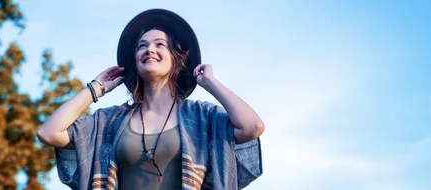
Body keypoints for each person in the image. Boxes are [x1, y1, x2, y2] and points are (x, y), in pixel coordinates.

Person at [36, 9, 264, 190]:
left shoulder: (202, 117)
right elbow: (49, 133)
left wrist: (211, 83)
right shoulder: (109, 121)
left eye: (159, 44)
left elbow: (252, 127)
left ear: (176, 60)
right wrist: (95, 88)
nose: (149, 49)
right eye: (142, 46)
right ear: (135, 60)